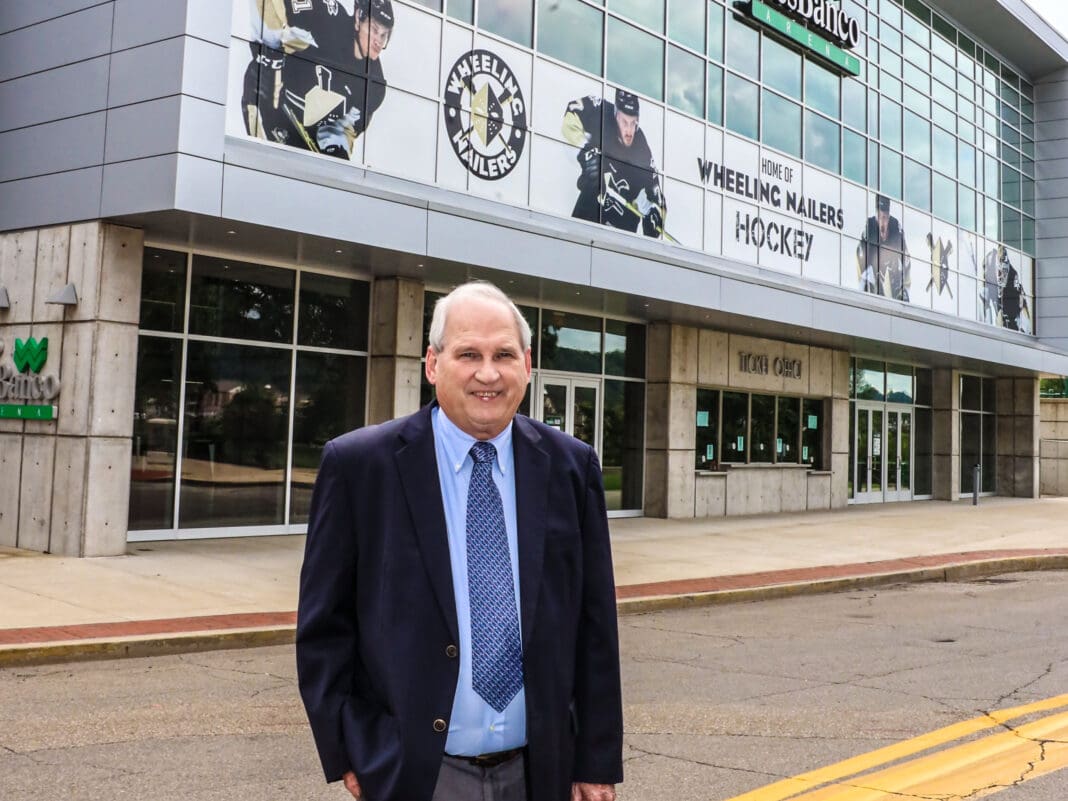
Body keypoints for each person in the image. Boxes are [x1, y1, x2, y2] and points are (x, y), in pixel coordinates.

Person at [296, 281, 624, 801]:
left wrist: (597, 759)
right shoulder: (360, 467)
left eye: (503, 355)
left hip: (541, 770)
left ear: (527, 364)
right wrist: (349, 749)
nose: (487, 373)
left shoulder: (571, 467)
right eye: (469, 354)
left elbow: (594, 625)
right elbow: (323, 628)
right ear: (433, 364)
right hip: (414, 773)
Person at [242, 0, 394, 159]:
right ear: (357, 18)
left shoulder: (374, 86)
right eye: (374, 30)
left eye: (384, 35)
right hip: (268, 104)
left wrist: (335, 148)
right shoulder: (329, 18)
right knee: (261, 166)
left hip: (305, 136)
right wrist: (271, 55)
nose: (378, 41)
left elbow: (346, 129)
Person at [562, 89, 666, 238]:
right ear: (616, 114)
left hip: (620, 237)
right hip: (586, 220)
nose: (629, 131)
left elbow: (658, 199)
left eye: (633, 123)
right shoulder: (601, 112)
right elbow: (571, 113)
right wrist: (585, 152)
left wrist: (654, 214)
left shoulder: (641, 147)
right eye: (625, 122)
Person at [856, 194, 911, 302]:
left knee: (898, 274)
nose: (882, 223)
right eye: (879, 217)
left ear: (888, 217)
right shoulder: (870, 226)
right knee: (868, 283)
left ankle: (900, 291)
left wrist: (904, 286)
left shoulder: (896, 227)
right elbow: (861, 255)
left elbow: (906, 258)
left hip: (891, 262)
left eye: (885, 217)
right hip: (872, 262)